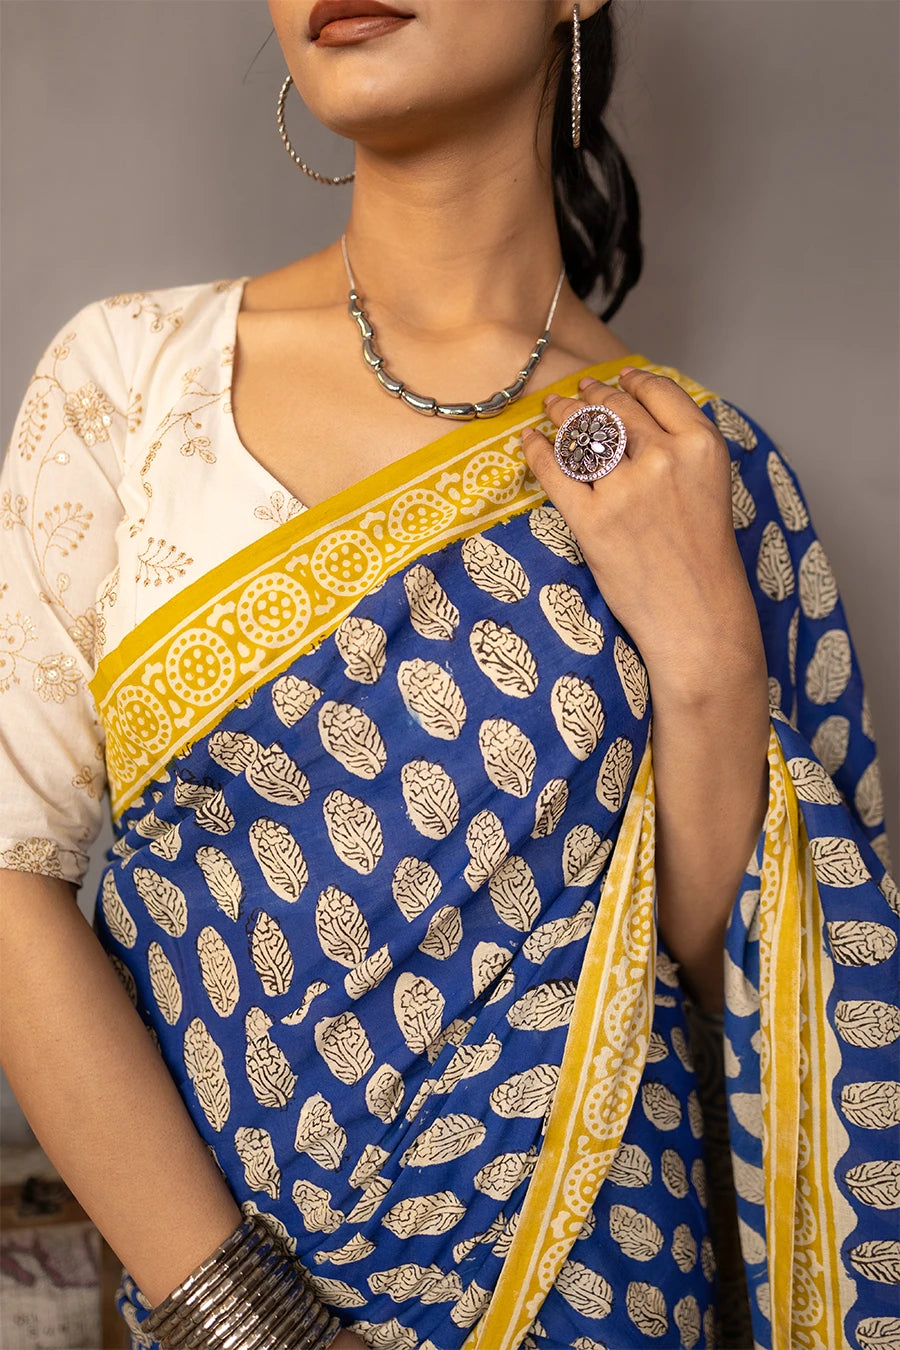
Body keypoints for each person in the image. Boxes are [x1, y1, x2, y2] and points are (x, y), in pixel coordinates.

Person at [1, 2, 897, 1348]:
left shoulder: (697, 468)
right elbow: (13, 885)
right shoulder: (135, 386)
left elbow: (744, 997)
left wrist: (708, 660)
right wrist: (259, 1327)